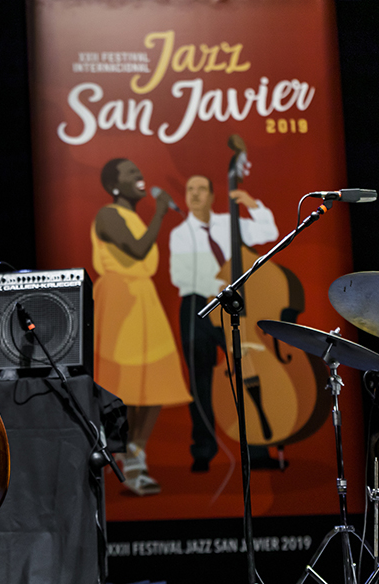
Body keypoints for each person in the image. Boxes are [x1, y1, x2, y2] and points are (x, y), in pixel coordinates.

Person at [91, 158, 191, 496]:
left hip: (143, 301)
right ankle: (111, 459)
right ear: (115, 185)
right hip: (120, 301)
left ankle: (136, 455)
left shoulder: (133, 216)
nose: (140, 175)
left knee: (154, 386)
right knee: (125, 386)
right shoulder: (108, 215)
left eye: (139, 169)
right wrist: (161, 211)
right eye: (131, 173)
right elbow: (136, 250)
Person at [168, 175, 279, 472]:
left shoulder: (229, 225)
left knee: (247, 375)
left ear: (212, 195)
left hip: (230, 305)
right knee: (200, 382)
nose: (194, 194)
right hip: (196, 308)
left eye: (201, 188)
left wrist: (252, 205)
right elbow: (180, 275)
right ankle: (203, 450)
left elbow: (270, 231)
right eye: (189, 188)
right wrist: (220, 281)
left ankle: (257, 451)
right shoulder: (180, 233)